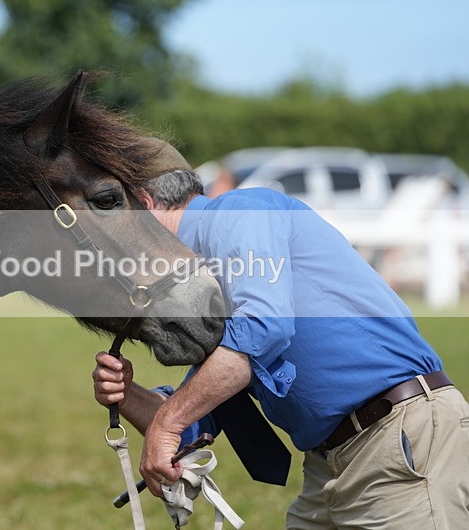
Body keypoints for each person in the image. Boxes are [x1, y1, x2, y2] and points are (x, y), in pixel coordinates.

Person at [92, 140, 469, 528]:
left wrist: (167, 422)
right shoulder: (207, 276)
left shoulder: (238, 212)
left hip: (398, 437)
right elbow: (198, 418)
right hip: (336, 461)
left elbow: (262, 328)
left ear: (143, 202)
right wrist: (130, 395)